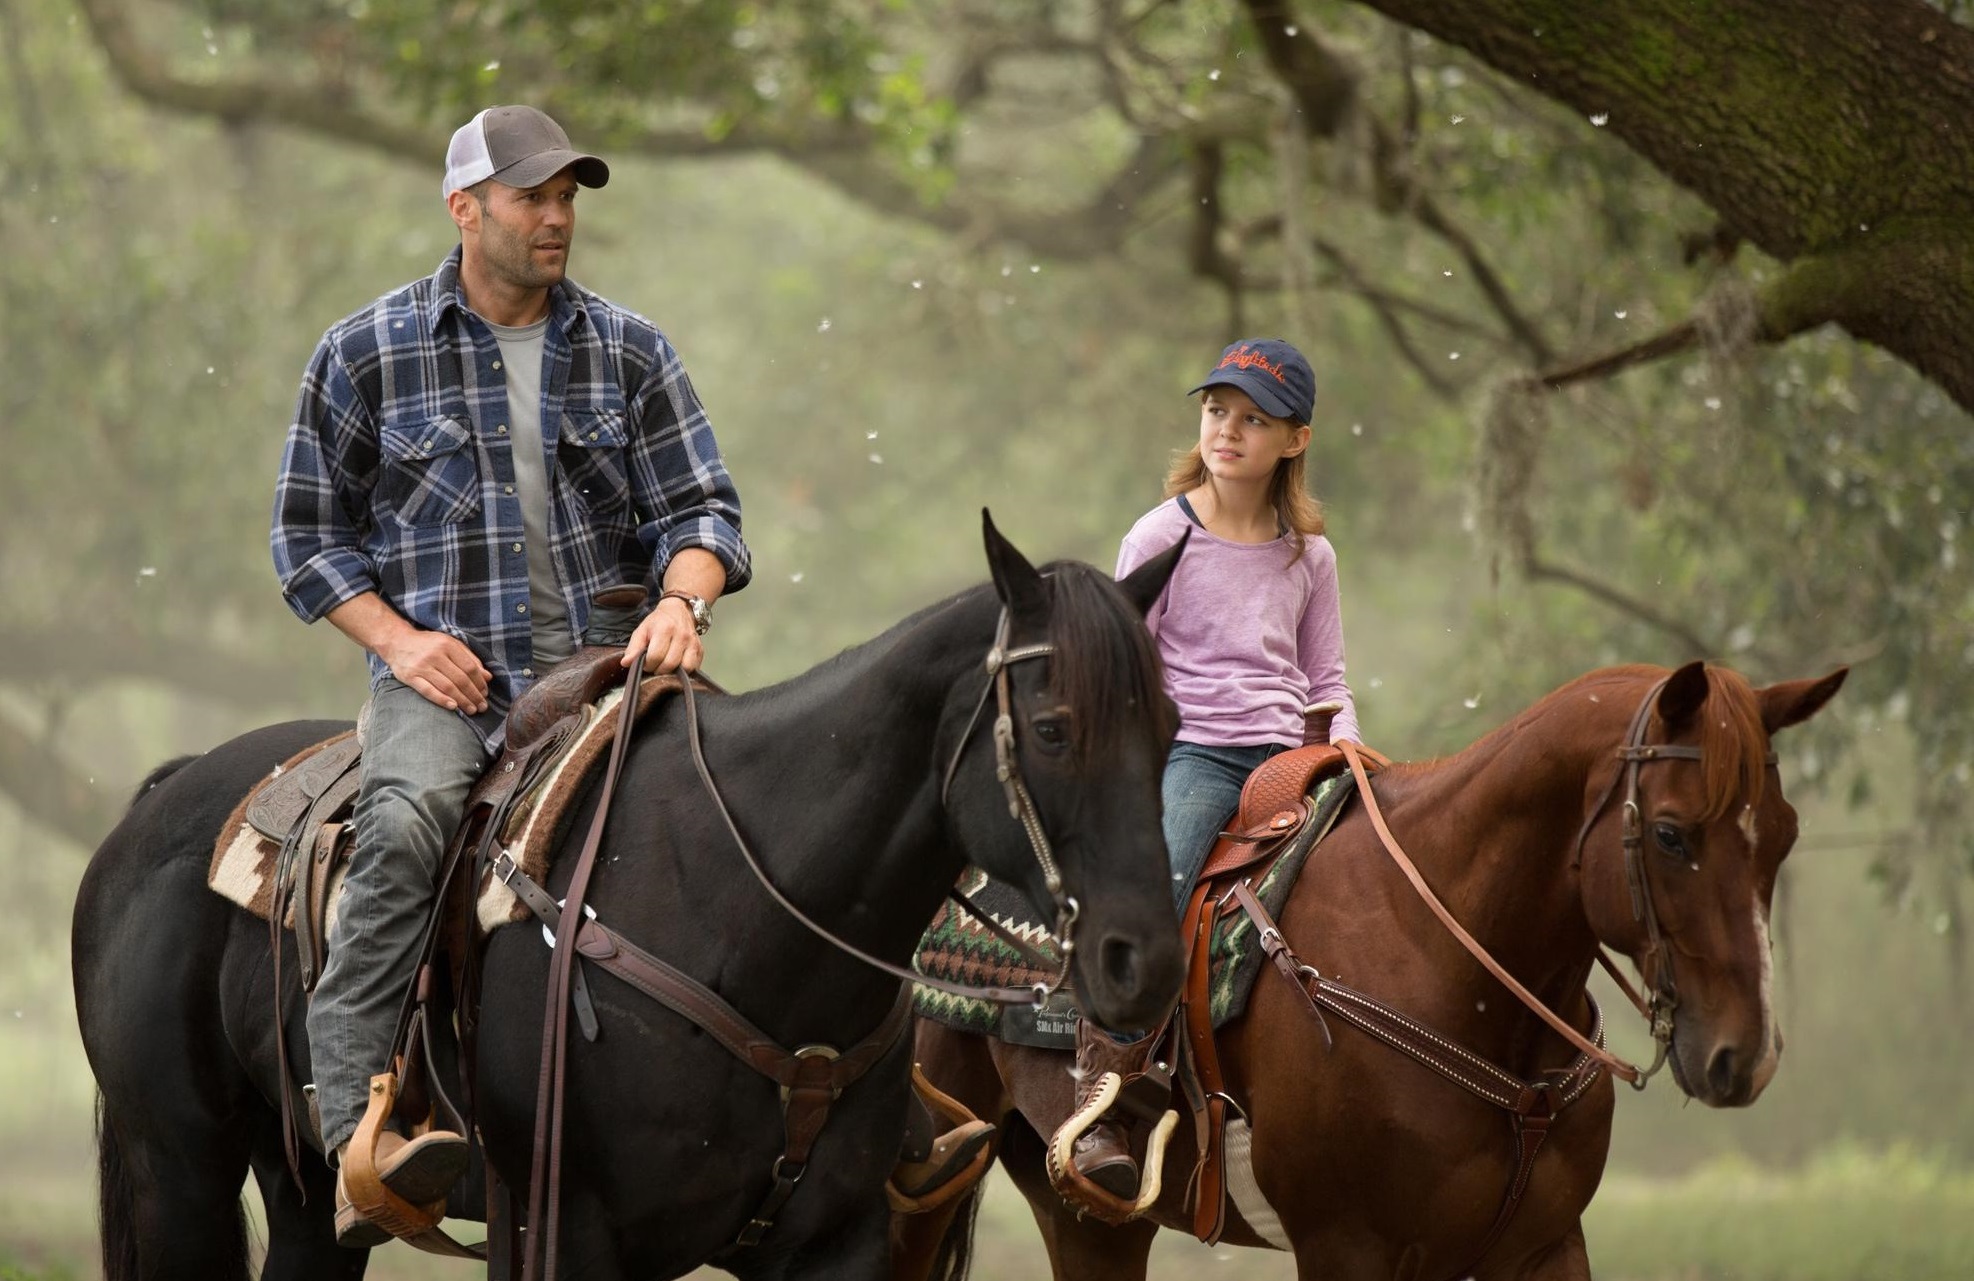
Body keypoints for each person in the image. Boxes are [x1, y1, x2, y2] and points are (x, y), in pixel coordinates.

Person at [272, 104, 751, 1246]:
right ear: (464, 207)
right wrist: (400, 644)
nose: (556, 217)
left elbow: (704, 513)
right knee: (406, 825)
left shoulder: (631, 349)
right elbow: (309, 540)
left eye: (567, 197)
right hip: (447, 683)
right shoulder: (366, 349)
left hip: (608, 674)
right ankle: (356, 1130)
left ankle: (828, 1107)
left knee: (753, 814)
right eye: (532, 196)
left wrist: (682, 601)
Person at [1071, 337, 1364, 1200]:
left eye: (1253, 419)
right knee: (1157, 887)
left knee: (1372, 879)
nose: (1228, 431)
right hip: (1197, 751)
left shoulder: (1309, 554)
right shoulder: (1162, 534)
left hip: (1294, 756)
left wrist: (1348, 746)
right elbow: (1123, 665)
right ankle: (1105, 1094)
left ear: (1295, 440)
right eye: (1216, 411)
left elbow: (1326, 679)